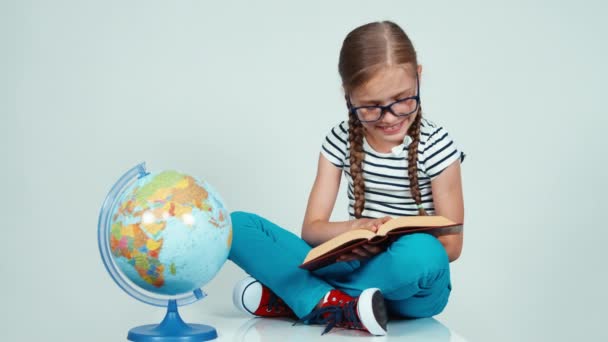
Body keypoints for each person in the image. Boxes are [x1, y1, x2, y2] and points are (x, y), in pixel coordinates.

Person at [228, 20, 466, 336]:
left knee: (425, 253)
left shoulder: (438, 146)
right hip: (354, 263)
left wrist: (388, 243)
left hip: (411, 287)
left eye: (403, 99)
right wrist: (352, 230)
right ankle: (342, 307)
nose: (390, 118)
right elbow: (312, 230)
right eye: (370, 108)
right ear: (348, 96)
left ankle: (305, 296)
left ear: (418, 77)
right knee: (234, 226)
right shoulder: (339, 141)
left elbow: (452, 244)